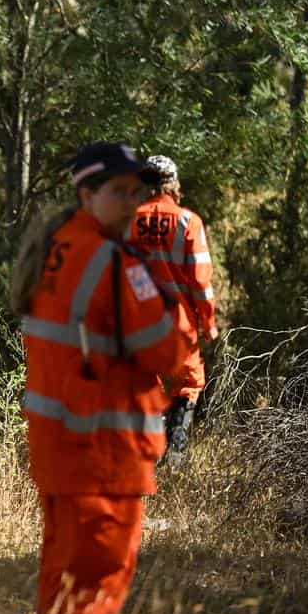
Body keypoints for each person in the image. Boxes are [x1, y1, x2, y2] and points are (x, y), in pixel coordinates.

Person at [10, 142, 190, 614]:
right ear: (87, 193)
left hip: (57, 448)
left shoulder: (56, 246)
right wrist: (173, 302)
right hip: (104, 456)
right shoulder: (114, 262)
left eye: (137, 191)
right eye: (119, 191)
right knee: (98, 586)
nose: (133, 201)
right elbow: (170, 352)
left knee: (61, 577)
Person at [125, 155, 218, 468]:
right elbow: (201, 283)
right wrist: (208, 322)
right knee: (188, 384)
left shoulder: (128, 221)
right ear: (173, 183)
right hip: (178, 324)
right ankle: (173, 462)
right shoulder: (187, 222)